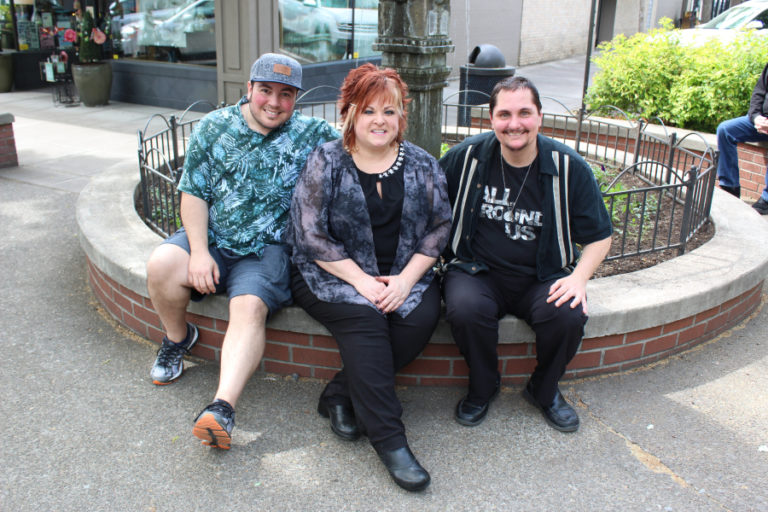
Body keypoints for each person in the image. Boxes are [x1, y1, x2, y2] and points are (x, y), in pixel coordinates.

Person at [145, 53, 339, 450]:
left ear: (296, 99)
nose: (274, 102)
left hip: (267, 250)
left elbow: (362, 142)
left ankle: (221, 408)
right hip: (213, 237)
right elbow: (193, 193)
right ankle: (178, 339)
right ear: (248, 89)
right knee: (162, 263)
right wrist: (198, 251)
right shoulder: (215, 127)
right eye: (265, 90)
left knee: (249, 307)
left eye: (285, 94)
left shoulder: (312, 133)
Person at [288, 63, 451, 491]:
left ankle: (339, 395)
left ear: (401, 117)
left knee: (417, 318)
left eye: (390, 111)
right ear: (350, 114)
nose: (380, 120)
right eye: (368, 110)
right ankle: (390, 441)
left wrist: (404, 280)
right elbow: (309, 233)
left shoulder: (422, 164)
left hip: (402, 274)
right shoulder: (326, 159)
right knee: (367, 319)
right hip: (329, 274)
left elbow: (439, 227)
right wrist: (361, 280)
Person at [439, 76, 612, 433]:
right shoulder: (465, 158)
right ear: (491, 119)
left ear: (540, 117)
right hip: (477, 271)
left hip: (543, 275)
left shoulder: (568, 167)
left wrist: (579, 279)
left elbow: (600, 236)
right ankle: (483, 387)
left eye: (524, 113)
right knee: (465, 310)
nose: (514, 124)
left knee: (567, 315)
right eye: (504, 114)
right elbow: (426, 208)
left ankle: (544, 390)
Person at [716, 62, 768, 214]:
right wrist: (756, 117)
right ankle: (730, 187)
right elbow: (759, 92)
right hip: (761, 121)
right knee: (725, 130)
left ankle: (766, 199)